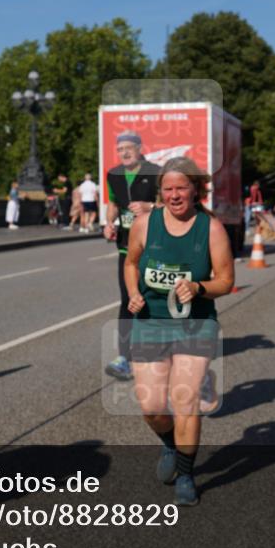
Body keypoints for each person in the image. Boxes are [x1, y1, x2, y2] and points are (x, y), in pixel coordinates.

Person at [125, 157, 234, 507]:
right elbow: (130, 264)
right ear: (161, 192)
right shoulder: (144, 224)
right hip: (151, 322)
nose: (174, 195)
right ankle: (170, 443)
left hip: (194, 324)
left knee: (185, 401)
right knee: (152, 406)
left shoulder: (211, 228)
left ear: (195, 189)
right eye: (168, 188)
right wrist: (134, 293)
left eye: (181, 188)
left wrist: (199, 288)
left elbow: (226, 281)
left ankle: (186, 474)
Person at [103, 131, 160, 381]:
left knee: (155, 298)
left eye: (129, 148)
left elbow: (172, 202)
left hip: (155, 248)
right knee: (128, 299)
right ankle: (124, 357)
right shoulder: (113, 175)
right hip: (127, 248)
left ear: (139, 148)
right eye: (120, 149)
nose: (124, 153)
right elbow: (113, 204)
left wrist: (149, 207)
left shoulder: (156, 172)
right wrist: (108, 222)